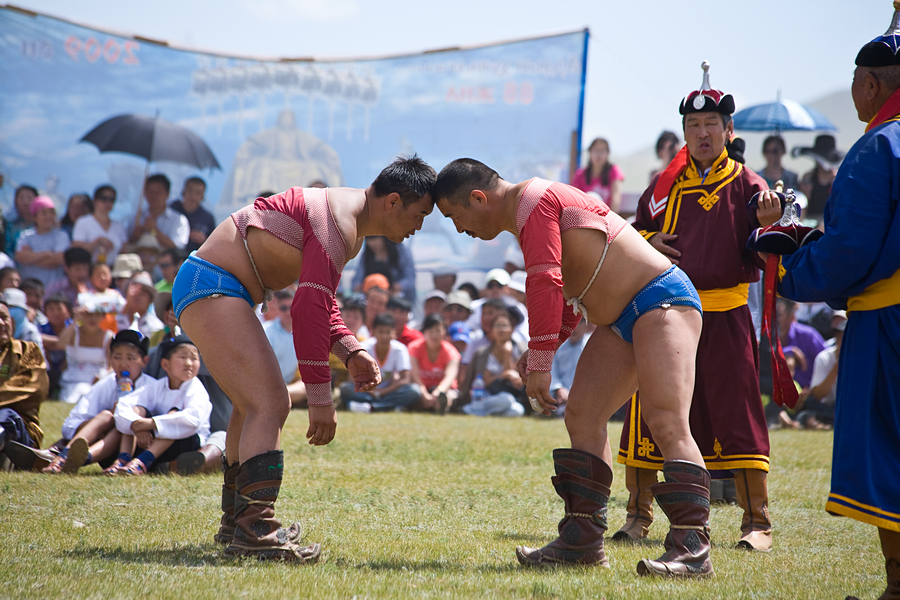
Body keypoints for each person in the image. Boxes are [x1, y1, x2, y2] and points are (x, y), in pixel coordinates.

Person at [433, 152, 710, 576]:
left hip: (661, 299)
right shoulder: (530, 207)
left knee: (666, 420)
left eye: (455, 216)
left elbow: (546, 282)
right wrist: (541, 350)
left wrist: (542, 358)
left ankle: (693, 551)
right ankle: (582, 542)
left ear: (478, 198)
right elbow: (569, 292)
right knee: (582, 414)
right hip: (622, 316)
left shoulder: (534, 201)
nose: (461, 229)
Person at [173, 155, 435, 561]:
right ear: (394, 201)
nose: (418, 227)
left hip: (212, 283)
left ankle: (239, 523)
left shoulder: (347, 220)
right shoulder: (339, 226)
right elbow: (307, 311)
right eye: (419, 215)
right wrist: (321, 400)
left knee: (249, 406)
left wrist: (351, 350)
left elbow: (320, 302)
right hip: (213, 283)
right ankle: (256, 531)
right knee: (270, 403)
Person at [613, 63, 782, 555]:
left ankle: (757, 521)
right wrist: (649, 241)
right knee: (650, 411)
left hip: (726, 316)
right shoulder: (663, 189)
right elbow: (632, 234)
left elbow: (768, 249)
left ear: (729, 131)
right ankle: (637, 515)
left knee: (738, 412)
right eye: (693, 126)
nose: (703, 133)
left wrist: (769, 225)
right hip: (666, 315)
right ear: (684, 132)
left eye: (711, 125)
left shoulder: (753, 188)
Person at [775, 13, 900, 596]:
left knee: (888, 450)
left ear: (871, 84)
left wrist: (790, 264)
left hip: (889, 321)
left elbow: (849, 251)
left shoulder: (879, 145)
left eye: (855, 79)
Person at [34, 330, 152, 474]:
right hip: (103, 445)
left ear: (144, 361)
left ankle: (63, 456)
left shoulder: (151, 387)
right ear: (110, 359)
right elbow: (71, 424)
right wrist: (103, 426)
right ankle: (63, 458)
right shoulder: (105, 385)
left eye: (130, 358)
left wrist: (138, 423)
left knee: (123, 422)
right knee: (107, 416)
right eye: (117, 357)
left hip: (136, 448)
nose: (123, 364)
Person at [106, 334, 210, 476]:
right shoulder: (157, 387)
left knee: (173, 416)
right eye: (183, 357)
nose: (189, 363)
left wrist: (150, 423)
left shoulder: (196, 388)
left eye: (194, 358)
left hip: (187, 443)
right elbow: (124, 404)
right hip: (152, 442)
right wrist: (137, 424)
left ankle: (141, 463)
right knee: (137, 409)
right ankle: (123, 459)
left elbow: (192, 420)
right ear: (165, 364)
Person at [0, 299, 49, 467]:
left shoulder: (28, 351)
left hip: (21, 432)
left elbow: (30, 388)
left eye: (4, 317)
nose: (1, 323)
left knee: (6, 415)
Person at [339, 313, 420, 413]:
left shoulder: (400, 349)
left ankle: (369, 407)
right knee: (346, 389)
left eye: (388, 332)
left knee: (414, 391)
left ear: (394, 333)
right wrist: (372, 391)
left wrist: (383, 392)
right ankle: (389, 407)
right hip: (367, 392)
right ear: (373, 332)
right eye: (381, 332)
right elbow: (352, 378)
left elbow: (405, 379)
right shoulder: (363, 347)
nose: (384, 336)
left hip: (389, 391)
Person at [457, 310, 526, 417]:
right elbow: (485, 381)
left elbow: (519, 381)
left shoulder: (521, 350)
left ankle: (474, 411)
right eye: (497, 326)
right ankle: (475, 408)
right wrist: (505, 374)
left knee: (517, 410)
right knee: (506, 400)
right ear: (492, 330)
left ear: (512, 329)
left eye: (505, 326)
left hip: (513, 396)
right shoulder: (483, 353)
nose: (501, 329)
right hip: (487, 395)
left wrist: (507, 354)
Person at [57, 292, 114, 404]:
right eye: (88, 314)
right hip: (73, 381)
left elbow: (112, 365)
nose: (92, 318)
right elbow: (60, 344)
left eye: (96, 314)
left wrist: (103, 376)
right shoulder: (74, 331)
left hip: (97, 382)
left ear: (103, 316)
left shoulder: (109, 336)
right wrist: (75, 321)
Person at [796, 311, 846, 430]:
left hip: (850, 407)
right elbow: (818, 395)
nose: (843, 342)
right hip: (827, 407)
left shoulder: (861, 359)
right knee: (807, 412)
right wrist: (836, 368)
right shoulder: (824, 358)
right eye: (840, 338)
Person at [408, 313, 460, 414]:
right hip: (421, 388)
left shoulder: (451, 352)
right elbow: (414, 375)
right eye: (430, 331)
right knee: (414, 392)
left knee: (449, 396)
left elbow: (450, 377)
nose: (434, 335)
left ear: (444, 332)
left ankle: (439, 406)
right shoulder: (414, 348)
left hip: (444, 390)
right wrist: (424, 394)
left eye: (438, 330)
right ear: (424, 332)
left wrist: (438, 391)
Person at [14, 195, 70, 288]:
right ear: (35, 217)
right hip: (29, 288)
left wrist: (30, 257)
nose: (49, 216)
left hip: (53, 288)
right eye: (44, 213)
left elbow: (59, 259)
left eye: (52, 213)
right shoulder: (26, 236)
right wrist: (47, 254)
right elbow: (20, 256)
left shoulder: (61, 236)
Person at [127, 174, 190, 251]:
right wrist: (135, 236)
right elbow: (126, 244)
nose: (154, 195)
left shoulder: (179, 220)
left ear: (167, 194)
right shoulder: (136, 218)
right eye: (150, 191)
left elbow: (177, 248)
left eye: (158, 192)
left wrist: (154, 231)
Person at [71, 185, 127, 266]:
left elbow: (124, 251)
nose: (108, 203)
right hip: (90, 271)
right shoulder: (83, 222)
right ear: (94, 201)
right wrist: (98, 241)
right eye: (104, 198)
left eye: (111, 199)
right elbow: (77, 251)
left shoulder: (119, 226)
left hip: (113, 271)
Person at [793, 134, 844, 223]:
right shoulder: (808, 177)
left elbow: (840, 206)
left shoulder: (837, 177)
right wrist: (805, 194)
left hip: (831, 220)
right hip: (810, 222)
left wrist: (835, 185)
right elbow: (803, 209)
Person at [351, 236, 417, 302]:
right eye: (368, 240)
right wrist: (359, 286)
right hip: (372, 299)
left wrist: (399, 286)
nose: (372, 243)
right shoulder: (366, 255)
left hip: (399, 299)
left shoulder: (400, 251)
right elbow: (357, 279)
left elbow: (410, 277)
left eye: (375, 238)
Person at [549, 319, 592, 418]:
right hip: (560, 395)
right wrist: (558, 388)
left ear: (587, 325)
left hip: (586, 394)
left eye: (578, 323)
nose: (574, 328)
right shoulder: (557, 345)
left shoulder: (593, 345)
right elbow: (551, 371)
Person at [570, 138, 624, 212]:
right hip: (585, 216)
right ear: (590, 153)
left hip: (607, 217)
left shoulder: (614, 170)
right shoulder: (580, 174)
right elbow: (573, 199)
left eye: (602, 151)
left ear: (607, 154)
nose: (599, 154)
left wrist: (610, 220)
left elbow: (616, 198)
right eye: (596, 150)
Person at [170, 177, 217, 254]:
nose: (193, 196)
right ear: (183, 192)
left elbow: (214, 246)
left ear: (202, 197)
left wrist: (204, 240)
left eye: (198, 193)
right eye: (190, 191)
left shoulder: (208, 218)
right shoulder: (172, 211)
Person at [38, 293, 72, 398]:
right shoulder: (42, 328)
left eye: (59, 309)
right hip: (49, 369)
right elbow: (39, 339)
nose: (55, 313)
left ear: (68, 312)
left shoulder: (73, 327)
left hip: (70, 368)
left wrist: (53, 344)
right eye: (51, 309)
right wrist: (61, 342)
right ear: (45, 312)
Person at [115, 272, 164, 338]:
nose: (137, 296)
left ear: (150, 301)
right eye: (134, 291)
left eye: (142, 294)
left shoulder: (155, 327)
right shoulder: (114, 316)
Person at [5, 184, 38, 257]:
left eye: (29, 198)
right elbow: (7, 249)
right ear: (15, 201)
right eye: (21, 198)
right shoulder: (9, 226)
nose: (26, 202)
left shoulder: (44, 224)